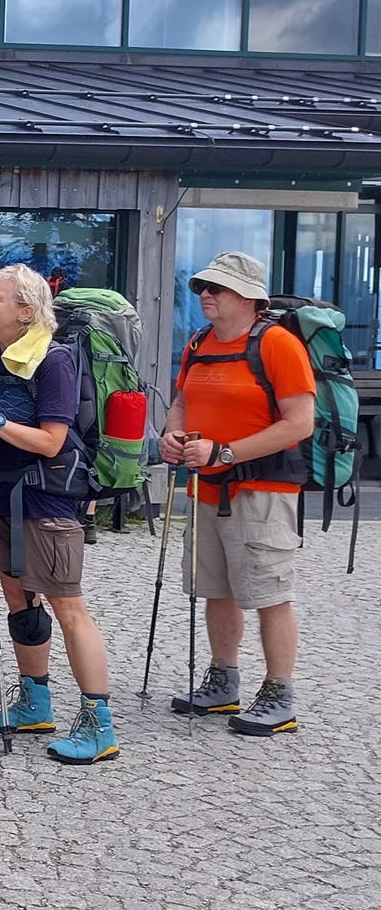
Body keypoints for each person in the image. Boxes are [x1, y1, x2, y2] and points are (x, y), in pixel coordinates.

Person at [0, 263, 120, 765]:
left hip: (48, 499)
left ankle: (99, 724)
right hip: (2, 494)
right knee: (19, 600)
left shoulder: (53, 361)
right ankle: (35, 702)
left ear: (26, 311)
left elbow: (51, 441)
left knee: (67, 604)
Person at [164, 252, 314, 737]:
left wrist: (225, 453)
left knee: (271, 593)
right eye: (202, 287)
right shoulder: (198, 343)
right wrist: (174, 436)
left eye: (217, 288)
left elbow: (299, 423)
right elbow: (183, 401)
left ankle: (279, 694)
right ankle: (224, 680)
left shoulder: (279, 345)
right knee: (217, 588)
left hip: (263, 489)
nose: (206, 294)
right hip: (206, 488)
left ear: (249, 297)